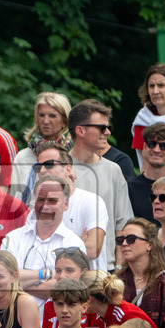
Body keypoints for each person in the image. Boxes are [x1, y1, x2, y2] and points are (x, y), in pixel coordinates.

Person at [0, 174, 88, 301]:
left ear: (66, 204)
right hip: (13, 319)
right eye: (40, 200)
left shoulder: (73, 244)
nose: (45, 206)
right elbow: (1, 278)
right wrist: (45, 274)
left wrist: (14, 284)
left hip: (53, 320)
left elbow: (64, 290)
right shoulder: (13, 238)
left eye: (52, 201)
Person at [67, 100, 132, 270]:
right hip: (62, 267)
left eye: (107, 127)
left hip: (106, 269)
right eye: (102, 128)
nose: (108, 132)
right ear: (80, 130)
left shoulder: (113, 170)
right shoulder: (56, 168)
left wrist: (119, 268)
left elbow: (123, 225)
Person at [23, 144, 107, 267]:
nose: (41, 171)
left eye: (49, 164)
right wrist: (77, 245)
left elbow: (92, 250)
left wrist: (47, 250)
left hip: (87, 284)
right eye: (37, 167)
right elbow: (28, 253)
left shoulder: (91, 201)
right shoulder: (34, 212)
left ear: (68, 169)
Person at [116, 218, 165, 328]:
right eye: (120, 240)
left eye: (131, 239)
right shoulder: (117, 282)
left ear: (149, 245)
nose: (124, 243)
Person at [10, 92, 73, 202]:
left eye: (52, 116)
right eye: (41, 115)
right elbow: (14, 198)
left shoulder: (74, 155)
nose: (45, 121)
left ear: (64, 121)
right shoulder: (23, 157)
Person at [128, 122, 165, 223]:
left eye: (163, 146)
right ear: (144, 147)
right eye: (152, 144)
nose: (156, 150)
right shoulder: (129, 187)